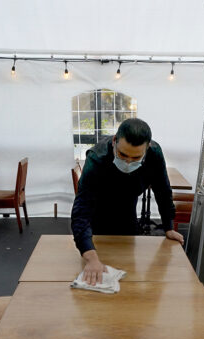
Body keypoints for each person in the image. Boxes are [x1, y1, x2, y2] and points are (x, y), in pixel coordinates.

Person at [71, 118, 185, 285]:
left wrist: (168, 226)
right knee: (96, 276)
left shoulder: (154, 154)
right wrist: (90, 256)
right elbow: (82, 210)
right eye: (123, 154)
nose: (128, 162)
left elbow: (163, 190)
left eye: (136, 157)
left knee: (128, 274)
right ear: (114, 141)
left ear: (147, 149)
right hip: (98, 216)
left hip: (128, 214)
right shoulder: (97, 158)